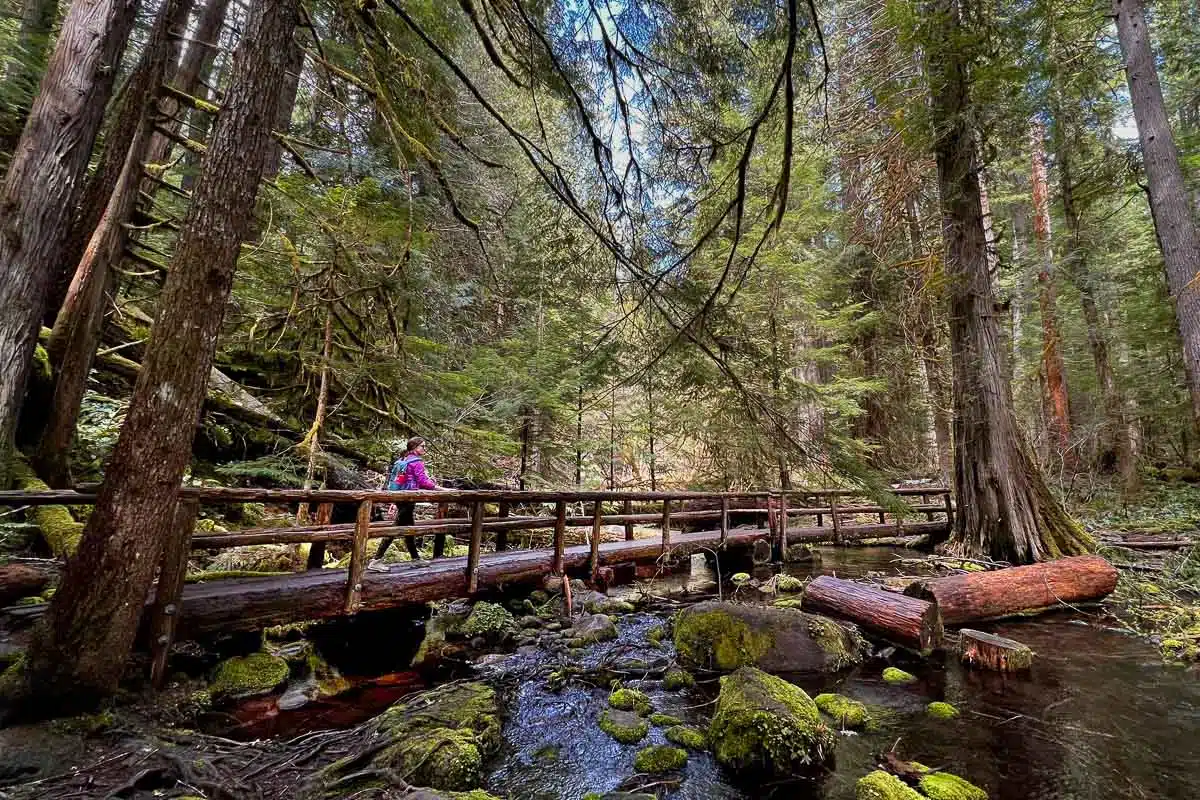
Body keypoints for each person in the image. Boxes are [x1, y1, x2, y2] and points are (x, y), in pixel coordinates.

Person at [376, 436, 445, 561]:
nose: (425, 448)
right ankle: (376, 559)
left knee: (409, 527)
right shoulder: (416, 462)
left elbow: (399, 481)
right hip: (408, 498)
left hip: (402, 496)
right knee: (395, 529)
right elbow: (423, 482)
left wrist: (394, 501)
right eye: (422, 446)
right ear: (414, 447)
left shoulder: (404, 460)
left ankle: (415, 558)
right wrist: (440, 489)